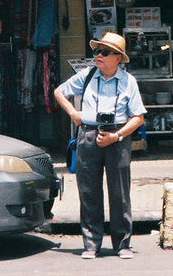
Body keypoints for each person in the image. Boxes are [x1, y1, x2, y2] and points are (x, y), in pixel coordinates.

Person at [53, 31, 146, 259]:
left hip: (117, 136)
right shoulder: (87, 76)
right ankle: (91, 244)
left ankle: (122, 244)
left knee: (120, 193)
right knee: (88, 191)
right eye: (97, 51)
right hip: (88, 135)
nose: (99, 56)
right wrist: (74, 113)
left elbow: (138, 117)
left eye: (105, 52)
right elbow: (58, 92)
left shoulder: (128, 81)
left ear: (117, 57)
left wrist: (117, 136)